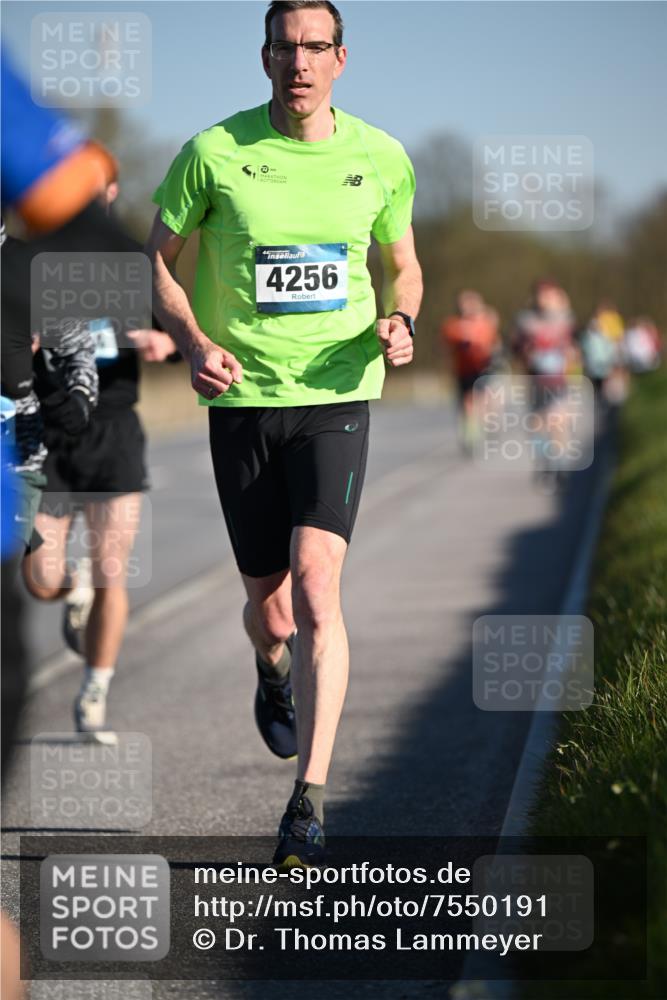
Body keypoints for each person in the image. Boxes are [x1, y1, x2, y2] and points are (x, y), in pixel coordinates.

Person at [146, 0, 422, 866]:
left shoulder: (380, 156)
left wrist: (402, 317)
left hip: (336, 394)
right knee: (270, 610)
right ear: (264, 56)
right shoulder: (212, 153)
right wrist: (194, 343)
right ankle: (271, 667)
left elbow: (403, 263)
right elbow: (154, 260)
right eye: (283, 47)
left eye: (314, 47)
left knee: (315, 588)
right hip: (242, 403)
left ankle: (308, 799)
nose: (298, 62)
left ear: (340, 57)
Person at [21, 180, 177, 744]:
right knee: (41, 579)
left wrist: (167, 345)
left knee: (115, 570)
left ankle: (94, 692)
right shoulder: (31, 256)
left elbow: (179, 326)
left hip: (113, 428)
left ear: (111, 191)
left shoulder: (134, 258)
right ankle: (74, 587)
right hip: (48, 430)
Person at [512, 280, 578, 487]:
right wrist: (526, 353)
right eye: (543, 295)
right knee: (537, 425)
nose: (546, 300)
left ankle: (561, 465)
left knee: (558, 422)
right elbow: (515, 346)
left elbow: (576, 345)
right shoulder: (526, 321)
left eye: (551, 295)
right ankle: (545, 463)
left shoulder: (567, 319)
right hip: (536, 380)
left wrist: (571, 355)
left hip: (559, 380)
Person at [440, 289, 502, 454]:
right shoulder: (453, 325)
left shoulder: (486, 322)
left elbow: (494, 344)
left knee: (480, 400)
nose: (467, 307)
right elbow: (447, 347)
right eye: (463, 303)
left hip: (483, 368)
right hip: (463, 370)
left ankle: (482, 427)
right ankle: (471, 435)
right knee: (467, 403)